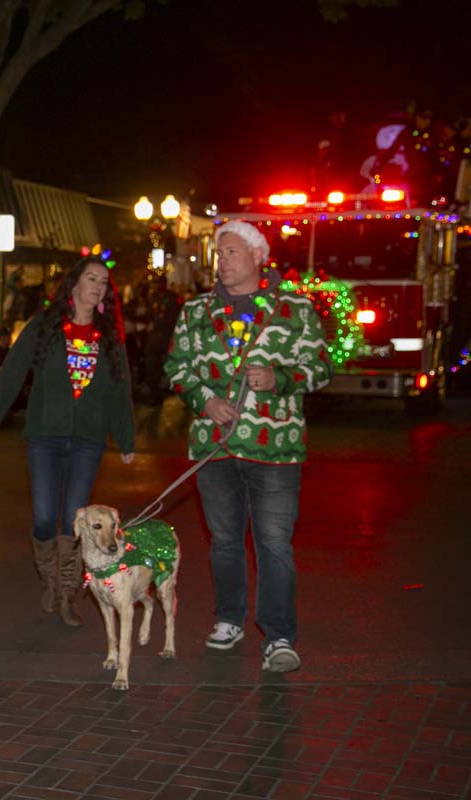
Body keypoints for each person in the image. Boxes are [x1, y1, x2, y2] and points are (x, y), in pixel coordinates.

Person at [164, 220, 332, 673]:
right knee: (223, 541)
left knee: (274, 542)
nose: (222, 260)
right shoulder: (196, 310)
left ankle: (278, 636)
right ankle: (229, 619)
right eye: (220, 253)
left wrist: (281, 378)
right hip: (214, 448)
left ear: (259, 256)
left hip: (274, 449)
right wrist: (206, 400)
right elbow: (176, 368)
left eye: (232, 251)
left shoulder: (294, 308)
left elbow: (321, 366)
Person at [0, 256, 136, 626]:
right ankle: (49, 580)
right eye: (91, 278)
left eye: (103, 282)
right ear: (75, 284)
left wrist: (126, 437)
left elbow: (120, 388)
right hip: (45, 437)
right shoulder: (47, 326)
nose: (97, 286)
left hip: (88, 439)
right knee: (45, 516)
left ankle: (67, 594)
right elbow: (14, 369)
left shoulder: (109, 336)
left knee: (73, 518)